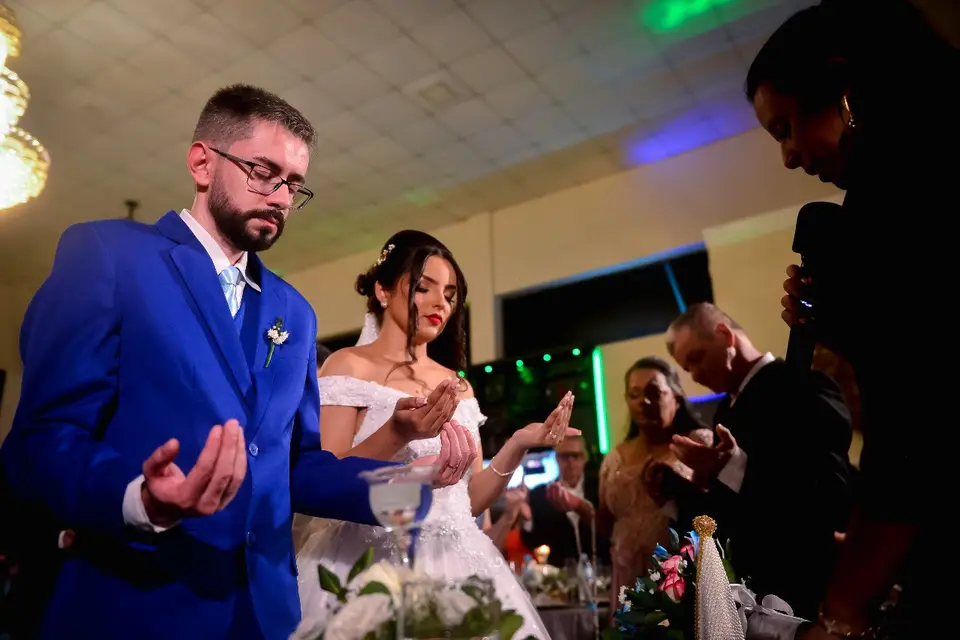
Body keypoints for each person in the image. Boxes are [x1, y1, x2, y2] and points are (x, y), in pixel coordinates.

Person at [0, 85, 473, 640]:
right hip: (136, 604)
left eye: (293, 184)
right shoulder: (110, 256)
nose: (280, 197)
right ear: (202, 163)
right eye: (263, 172)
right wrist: (140, 500)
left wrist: (412, 484)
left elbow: (297, 469)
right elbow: (42, 442)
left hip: (263, 615)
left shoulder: (294, 313)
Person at [746, 1, 957, 636]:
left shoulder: (900, 202)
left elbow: (916, 427)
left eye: (786, 127)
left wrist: (840, 611)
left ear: (841, 88)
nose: (788, 157)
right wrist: (844, 331)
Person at [293, 230, 577, 640]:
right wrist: (396, 435)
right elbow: (326, 481)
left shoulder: (458, 386)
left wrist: (517, 444)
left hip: (457, 557)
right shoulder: (348, 366)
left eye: (450, 294)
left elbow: (467, 499)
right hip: (370, 557)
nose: (440, 302)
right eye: (423, 287)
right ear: (382, 290)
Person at [667, 303, 852, 619]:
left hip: (801, 589)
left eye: (696, 358)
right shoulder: (724, 410)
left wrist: (728, 467)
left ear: (725, 335)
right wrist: (699, 484)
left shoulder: (801, 384)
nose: (695, 375)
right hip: (749, 594)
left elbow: (830, 496)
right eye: (688, 369)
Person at [597, 357, 713, 614]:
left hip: (680, 580)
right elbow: (605, 524)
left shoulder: (698, 445)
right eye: (634, 394)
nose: (643, 401)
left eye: (654, 393)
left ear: (676, 397)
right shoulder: (615, 457)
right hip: (627, 582)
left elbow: (716, 510)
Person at [520, 435, 610, 570]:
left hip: (602, 569)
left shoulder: (601, 487)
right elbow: (532, 543)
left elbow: (610, 532)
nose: (570, 461)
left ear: (585, 458)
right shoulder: (541, 494)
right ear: (557, 458)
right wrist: (527, 520)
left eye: (575, 456)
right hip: (561, 573)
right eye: (564, 456)